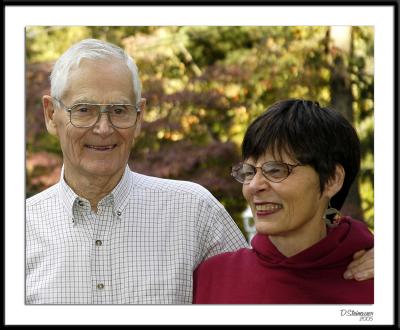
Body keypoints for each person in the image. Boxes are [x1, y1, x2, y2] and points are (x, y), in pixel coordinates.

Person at [26, 39, 373, 305]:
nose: (103, 128)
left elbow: (272, 269)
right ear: (50, 114)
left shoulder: (194, 211)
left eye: (119, 110)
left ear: (139, 115)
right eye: (83, 110)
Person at [193, 99, 374, 304]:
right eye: (249, 172)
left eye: (276, 170)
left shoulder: (375, 283)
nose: (254, 186)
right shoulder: (212, 278)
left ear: (332, 179)